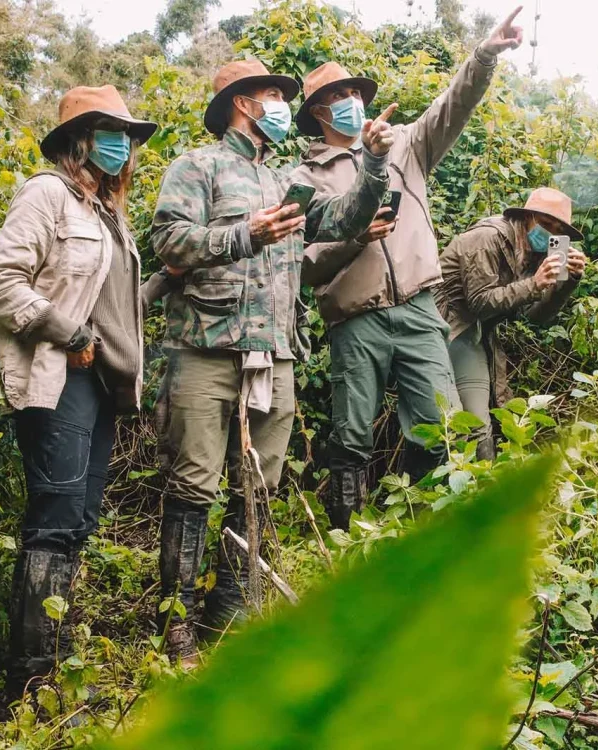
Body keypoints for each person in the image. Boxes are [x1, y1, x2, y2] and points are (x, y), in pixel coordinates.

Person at [151, 58, 394, 664]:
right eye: (270, 94)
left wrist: (374, 164)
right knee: (194, 485)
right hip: (205, 350)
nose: (280, 104)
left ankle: (230, 613)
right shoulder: (197, 166)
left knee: (260, 485)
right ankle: (176, 626)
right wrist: (243, 235)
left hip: (275, 355)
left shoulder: (290, 178)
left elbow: (343, 220)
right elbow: (167, 241)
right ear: (242, 103)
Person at [291, 7, 525, 529]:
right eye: (334, 98)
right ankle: (344, 542)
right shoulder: (305, 179)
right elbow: (304, 268)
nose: (348, 103)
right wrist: (354, 241)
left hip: (420, 308)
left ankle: (428, 538)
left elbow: (452, 106)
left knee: (440, 426)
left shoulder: (405, 147)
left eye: (352, 93)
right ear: (317, 115)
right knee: (350, 435)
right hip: (355, 318)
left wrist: (484, 55)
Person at [0, 85, 157, 698]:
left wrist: (169, 278)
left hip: (99, 387)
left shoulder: (106, 214)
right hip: (60, 380)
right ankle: (29, 687)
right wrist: (69, 331)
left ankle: (51, 665)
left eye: (126, 135)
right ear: (77, 140)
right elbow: (3, 283)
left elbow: (113, 306)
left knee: (78, 522)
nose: (122, 144)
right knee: (54, 523)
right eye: (108, 131)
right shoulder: (47, 194)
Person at [435, 188, 586, 458]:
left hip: (473, 334)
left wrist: (566, 284)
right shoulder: (487, 238)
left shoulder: (534, 255)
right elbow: (480, 302)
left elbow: (534, 317)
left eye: (558, 229)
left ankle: (482, 491)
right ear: (527, 217)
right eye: (546, 223)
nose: (551, 232)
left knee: (478, 428)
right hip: (440, 329)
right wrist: (533, 284)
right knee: (448, 428)